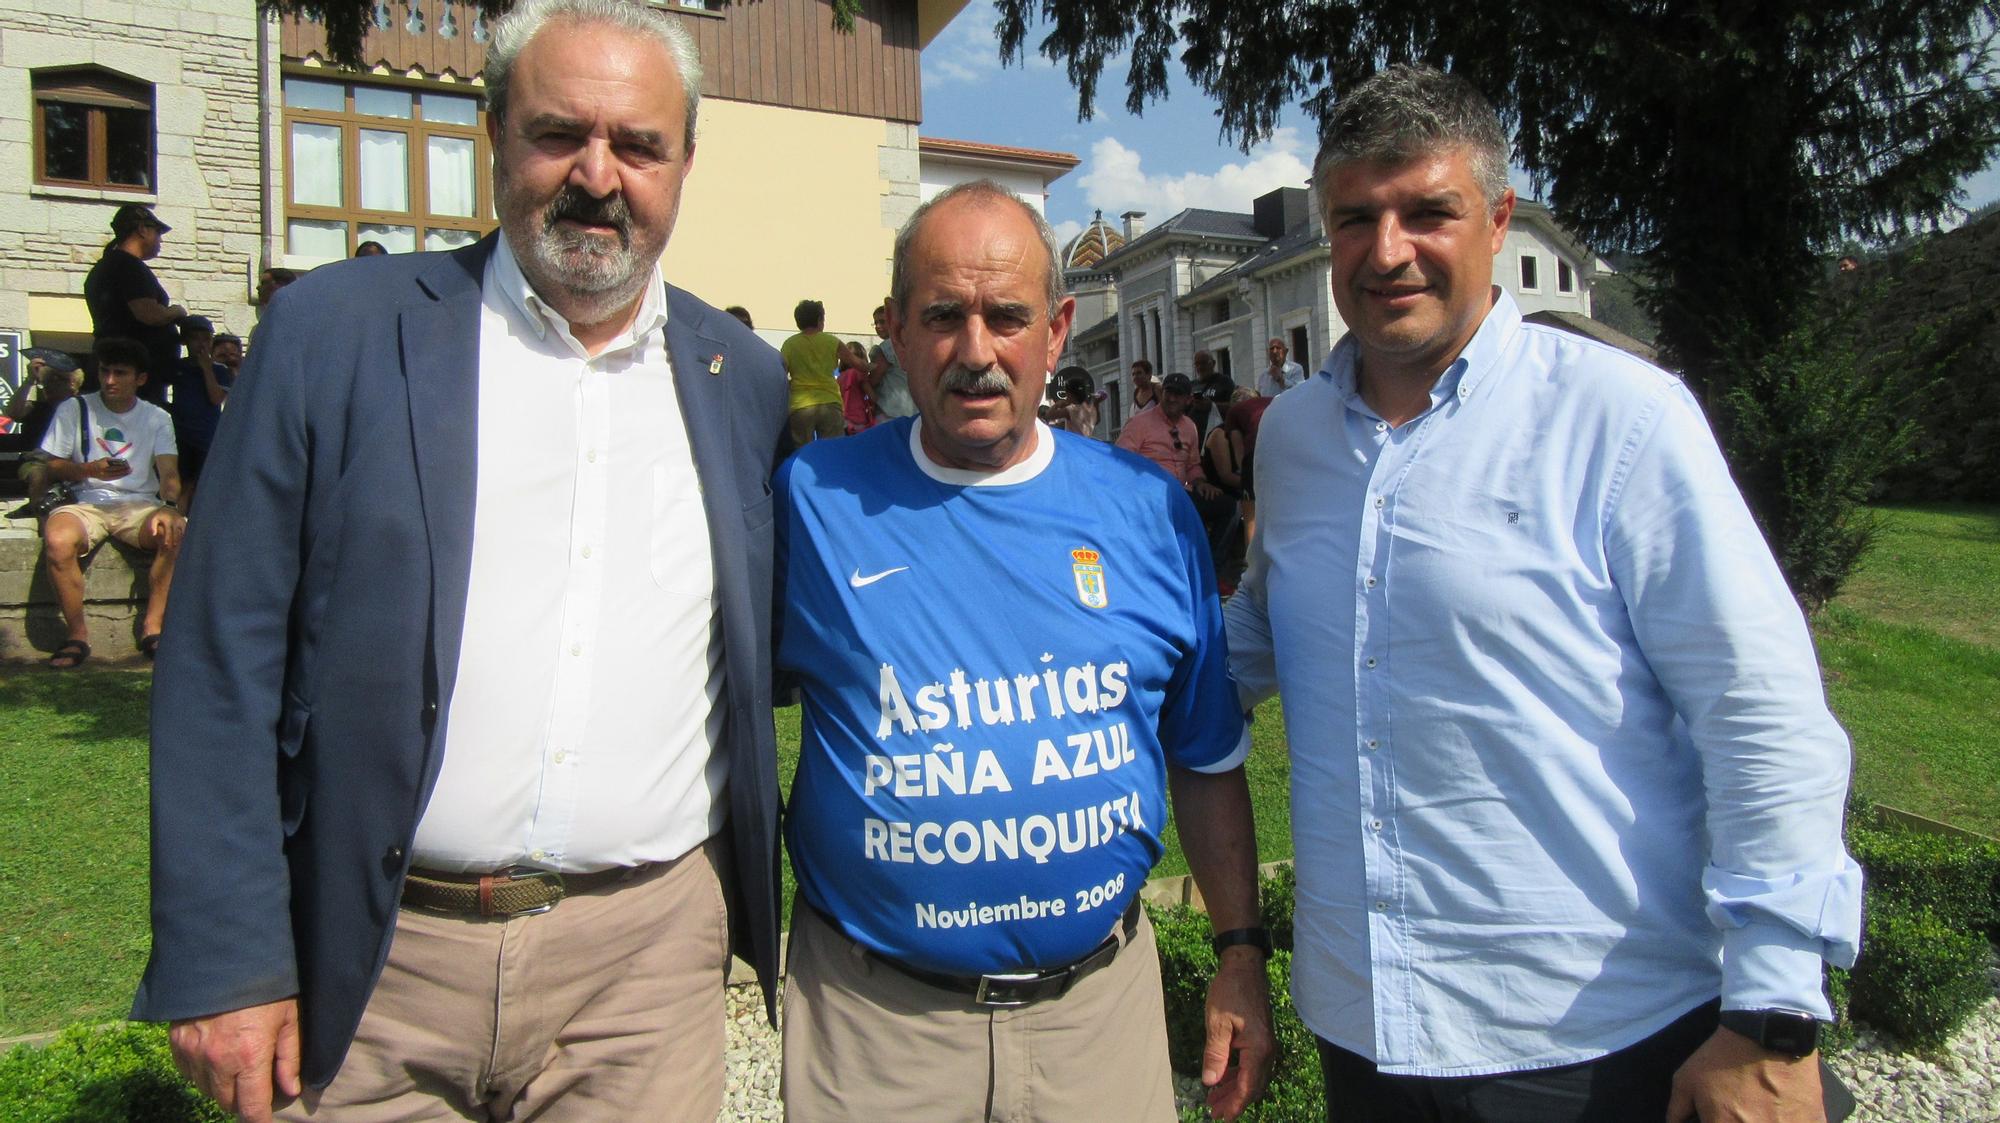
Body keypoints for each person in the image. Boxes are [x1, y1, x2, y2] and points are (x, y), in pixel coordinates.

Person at [133, 3, 789, 1121]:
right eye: (556, 134)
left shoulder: (743, 376)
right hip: (374, 961)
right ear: (491, 134)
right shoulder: (334, 334)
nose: (597, 174)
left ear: (683, 161)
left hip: (641, 971)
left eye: (637, 143)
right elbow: (220, 655)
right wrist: (227, 957)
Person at [1224, 65, 1861, 1123]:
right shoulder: (1291, 437)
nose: (1387, 251)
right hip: (1364, 1026)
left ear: (1497, 218)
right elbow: (1261, 628)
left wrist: (1771, 1017)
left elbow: (1760, 714)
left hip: (1587, 1042)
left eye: (1427, 211)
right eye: (1355, 218)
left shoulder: (1621, 421)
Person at [776, 179, 1274, 1122]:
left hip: (1099, 1020)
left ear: (1057, 329)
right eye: (942, 316)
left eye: (1007, 317)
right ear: (893, 327)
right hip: (876, 1027)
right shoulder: (811, 497)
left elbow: (1206, 757)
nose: (976, 352)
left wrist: (1240, 951)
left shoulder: (1148, 510)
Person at [36, 336, 184, 667]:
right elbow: (53, 465)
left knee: (174, 529)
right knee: (58, 541)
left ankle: (153, 627)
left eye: (120, 373)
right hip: (85, 500)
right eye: (104, 372)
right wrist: (89, 469)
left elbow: (168, 472)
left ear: (140, 379)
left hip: (138, 504)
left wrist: (170, 506)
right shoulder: (74, 408)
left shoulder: (156, 417)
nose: (110, 381)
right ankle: (77, 635)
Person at [84, 203, 187, 406]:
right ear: (142, 229)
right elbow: (148, 314)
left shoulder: (105, 267)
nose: (160, 241)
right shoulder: (129, 266)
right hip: (133, 376)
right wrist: (175, 312)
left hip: (123, 369)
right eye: (157, 233)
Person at [165, 315, 234, 509]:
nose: (201, 344)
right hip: (181, 434)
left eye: (206, 338)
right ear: (186, 341)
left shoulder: (220, 370)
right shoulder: (178, 367)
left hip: (207, 436)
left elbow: (216, 398)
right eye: (195, 338)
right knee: (183, 482)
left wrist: (206, 368)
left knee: (203, 483)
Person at [5, 348, 84, 509]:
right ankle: (42, 520)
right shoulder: (36, 408)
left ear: (74, 385)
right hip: (37, 463)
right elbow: (12, 413)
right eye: (47, 380)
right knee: (39, 474)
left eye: (58, 379)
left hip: (70, 463)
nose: (50, 384)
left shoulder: (83, 410)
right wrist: (29, 381)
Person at [781, 298, 845, 445]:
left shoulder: (790, 344)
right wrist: (871, 367)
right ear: (819, 319)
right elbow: (857, 362)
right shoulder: (831, 341)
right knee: (832, 450)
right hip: (830, 402)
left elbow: (781, 372)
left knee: (801, 451)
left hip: (800, 405)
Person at [870, 300, 917, 419]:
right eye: (875, 323)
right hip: (912, 408)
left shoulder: (886, 346)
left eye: (882, 322)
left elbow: (876, 375)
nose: (878, 327)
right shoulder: (910, 343)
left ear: (892, 321)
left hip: (890, 408)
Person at [1186, 349, 1234, 439]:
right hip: (1193, 435)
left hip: (1216, 435)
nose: (1200, 367)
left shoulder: (1224, 381)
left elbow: (1233, 406)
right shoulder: (1191, 385)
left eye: (1204, 363)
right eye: (1197, 364)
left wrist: (1212, 405)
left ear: (1213, 363)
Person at [1047, 364, 1103, 437]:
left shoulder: (1071, 410)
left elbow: (1049, 415)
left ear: (1071, 394)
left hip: (1073, 444)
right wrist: (1096, 404)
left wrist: (1057, 404)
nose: (1066, 397)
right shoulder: (1091, 410)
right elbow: (1097, 421)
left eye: (1066, 394)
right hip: (1085, 443)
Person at [837, 340, 880, 434]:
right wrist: (878, 401)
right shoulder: (858, 373)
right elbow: (871, 395)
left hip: (843, 417)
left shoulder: (841, 376)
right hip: (857, 417)